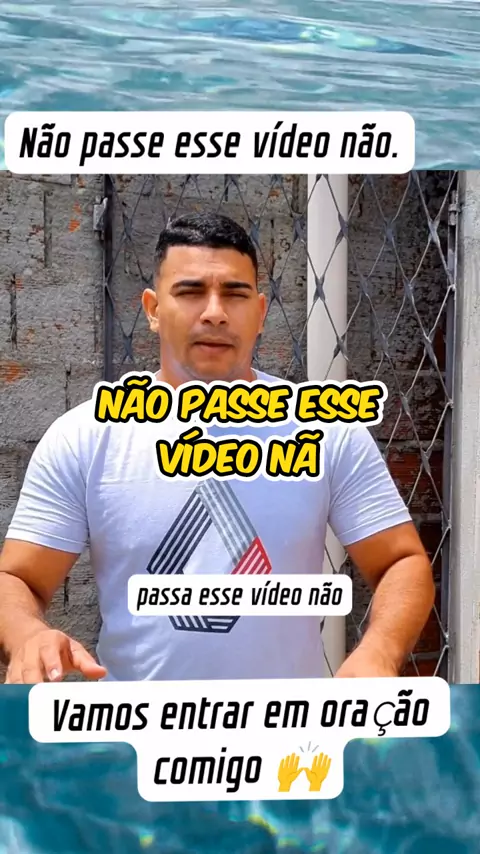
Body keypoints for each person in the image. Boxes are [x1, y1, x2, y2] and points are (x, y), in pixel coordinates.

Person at [0, 212, 435, 684]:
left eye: (235, 293)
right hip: (136, 726)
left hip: (289, 727)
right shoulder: (85, 437)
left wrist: (380, 652)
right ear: (152, 309)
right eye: (190, 292)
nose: (214, 312)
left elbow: (400, 561)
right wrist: (27, 635)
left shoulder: (327, 432)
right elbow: (18, 579)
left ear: (260, 313)